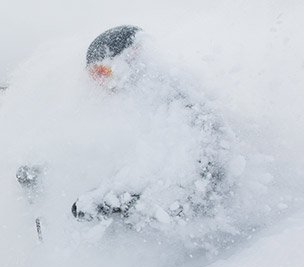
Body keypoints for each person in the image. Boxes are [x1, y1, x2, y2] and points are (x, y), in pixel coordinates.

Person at [71, 26, 238, 226]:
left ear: (132, 56)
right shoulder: (135, 106)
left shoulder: (174, 95)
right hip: (164, 213)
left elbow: (199, 172)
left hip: (200, 218)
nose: (102, 83)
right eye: (95, 76)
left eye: (104, 72)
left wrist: (124, 202)